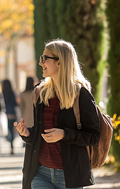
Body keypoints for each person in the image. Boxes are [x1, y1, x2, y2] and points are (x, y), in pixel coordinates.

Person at [14, 39, 100, 189]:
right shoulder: (40, 92)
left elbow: (94, 136)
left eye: (44, 58)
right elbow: (40, 132)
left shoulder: (80, 94)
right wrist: (27, 133)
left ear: (60, 62)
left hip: (69, 175)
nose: (41, 63)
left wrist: (64, 134)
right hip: (40, 172)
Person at [2, 79, 18, 155]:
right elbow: (16, 104)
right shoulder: (13, 93)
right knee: (12, 131)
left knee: (7, 130)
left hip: (5, 114)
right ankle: (12, 146)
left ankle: (9, 143)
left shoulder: (2, 93)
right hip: (13, 114)